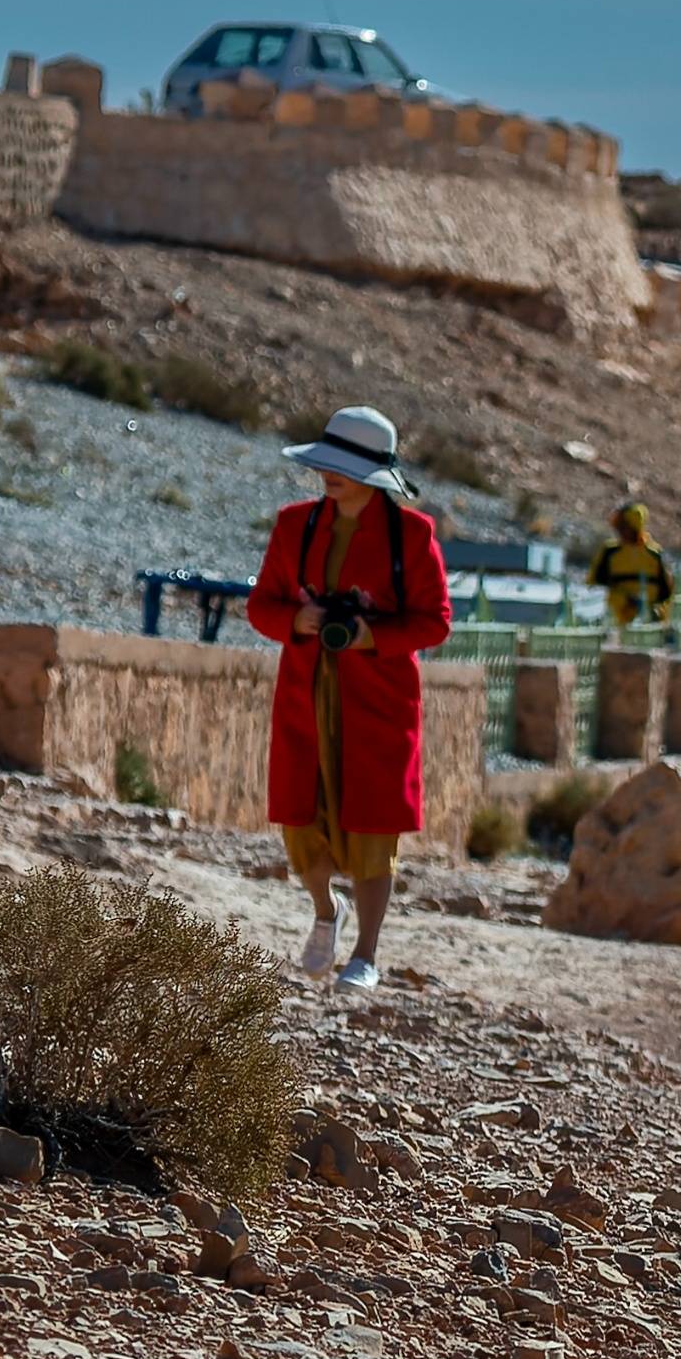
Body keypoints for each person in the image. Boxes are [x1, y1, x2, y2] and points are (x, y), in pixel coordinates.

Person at [251, 408, 455, 992]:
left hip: (379, 703)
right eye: (327, 466)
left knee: (372, 829)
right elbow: (261, 607)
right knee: (299, 820)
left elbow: (436, 622)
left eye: (343, 469)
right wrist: (301, 619)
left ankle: (366, 954)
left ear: (374, 476)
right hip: (305, 696)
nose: (328, 477)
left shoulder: (412, 537)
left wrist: (371, 635)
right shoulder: (294, 526)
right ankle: (324, 911)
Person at [592, 499, 673, 628]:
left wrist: (655, 611)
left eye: (623, 526)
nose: (620, 531)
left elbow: (665, 592)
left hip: (648, 623)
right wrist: (623, 600)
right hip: (616, 620)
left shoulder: (653, 553)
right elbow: (595, 586)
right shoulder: (610, 551)